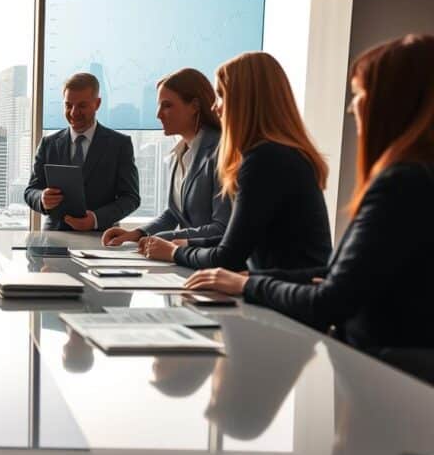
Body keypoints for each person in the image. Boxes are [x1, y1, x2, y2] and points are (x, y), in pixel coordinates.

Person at [185, 35, 434, 350]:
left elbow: (329, 301)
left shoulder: (401, 184)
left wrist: (247, 284)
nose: (351, 107)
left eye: (360, 93)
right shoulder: (415, 178)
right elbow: (339, 280)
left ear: (393, 103)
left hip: (380, 374)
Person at [139, 52, 332, 271]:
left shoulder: (265, 159)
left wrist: (175, 252)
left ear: (246, 100)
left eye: (221, 96)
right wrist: (187, 243)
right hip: (281, 289)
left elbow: (228, 256)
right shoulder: (279, 154)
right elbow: (240, 239)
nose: (214, 107)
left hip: (285, 299)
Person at [102, 68, 231, 246]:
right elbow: (173, 213)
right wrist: (137, 234)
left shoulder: (221, 151)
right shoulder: (178, 153)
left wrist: (156, 240)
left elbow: (221, 228)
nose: (158, 114)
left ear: (194, 106)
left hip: (213, 263)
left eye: (167, 105)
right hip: (187, 259)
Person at [24, 72, 140, 231]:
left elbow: (131, 198)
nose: (73, 112)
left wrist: (96, 219)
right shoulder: (48, 143)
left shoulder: (119, 145)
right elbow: (31, 190)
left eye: (82, 106)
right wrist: (42, 199)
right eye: (68, 105)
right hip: (55, 238)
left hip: (101, 237)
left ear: (97, 103)